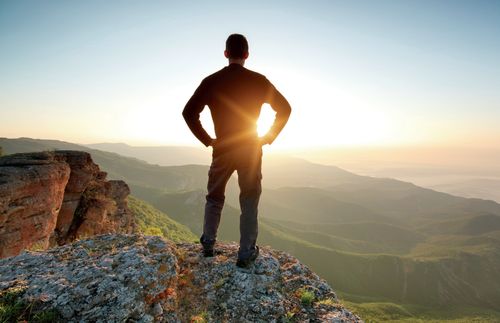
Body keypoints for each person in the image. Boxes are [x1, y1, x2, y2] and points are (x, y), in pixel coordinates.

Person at [182, 34, 291, 268]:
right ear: (247, 55)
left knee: (214, 197)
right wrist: (268, 137)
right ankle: (245, 252)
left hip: (222, 149)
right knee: (249, 200)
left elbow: (188, 113)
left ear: (225, 54)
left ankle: (209, 244)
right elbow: (285, 109)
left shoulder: (211, 81)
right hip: (250, 149)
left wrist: (209, 140)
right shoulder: (259, 81)